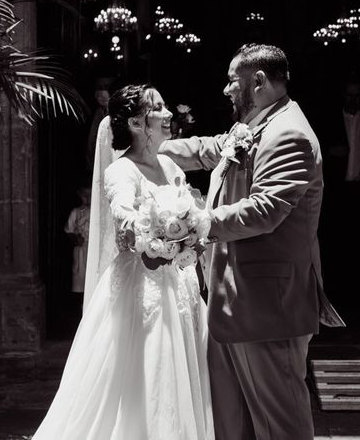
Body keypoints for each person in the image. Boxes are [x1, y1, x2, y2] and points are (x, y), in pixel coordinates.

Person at [162, 44, 344, 440]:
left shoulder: (289, 133)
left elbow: (266, 209)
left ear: (257, 81)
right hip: (235, 303)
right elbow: (213, 150)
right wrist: (152, 147)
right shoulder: (258, 122)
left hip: (266, 306)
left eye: (232, 81)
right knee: (234, 424)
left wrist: (198, 223)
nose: (227, 90)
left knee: (281, 425)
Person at [32, 84, 213, 440]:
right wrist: (157, 236)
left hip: (180, 284)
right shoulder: (121, 171)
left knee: (185, 369)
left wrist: (193, 231)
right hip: (143, 288)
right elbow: (126, 226)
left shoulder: (170, 164)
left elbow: (190, 209)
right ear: (136, 122)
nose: (168, 114)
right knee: (149, 374)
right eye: (158, 108)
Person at [63, 186, 91, 293]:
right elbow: (68, 230)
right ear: (80, 195)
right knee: (80, 278)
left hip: (93, 250)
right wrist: (75, 238)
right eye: (84, 196)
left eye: (90, 195)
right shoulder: (76, 212)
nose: (87, 199)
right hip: (81, 250)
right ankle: (80, 303)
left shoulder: (97, 213)